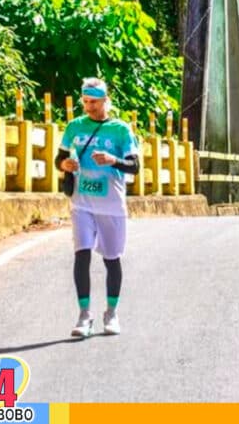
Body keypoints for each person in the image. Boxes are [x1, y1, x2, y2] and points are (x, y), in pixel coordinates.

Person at [55, 78, 141, 337]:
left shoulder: (120, 130)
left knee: (111, 260)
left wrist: (113, 159)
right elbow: (60, 157)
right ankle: (84, 315)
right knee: (81, 255)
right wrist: (64, 165)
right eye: (85, 101)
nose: (88, 107)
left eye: (93, 102)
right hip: (82, 204)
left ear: (105, 100)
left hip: (112, 206)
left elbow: (134, 166)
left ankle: (111, 313)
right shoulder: (75, 127)